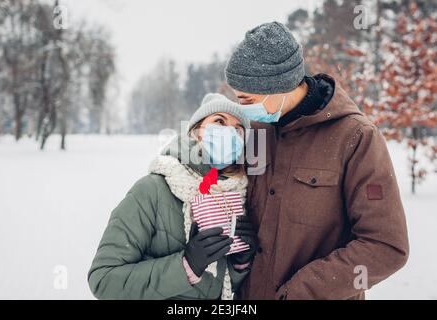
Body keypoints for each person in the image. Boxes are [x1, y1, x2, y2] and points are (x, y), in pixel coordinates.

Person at [224, 21, 409, 300]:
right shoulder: (256, 133)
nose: (243, 109)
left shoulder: (356, 138)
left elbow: (386, 245)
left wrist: (304, 291)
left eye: (247, 99)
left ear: (278, 85)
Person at [88, 93, 258, 300]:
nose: (229, 133)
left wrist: (240, 263)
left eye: (238, 130)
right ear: (196, 132)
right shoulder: (152, 190)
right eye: (219, 122)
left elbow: (217, 287)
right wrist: (186, 265)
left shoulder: (235, 196)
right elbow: (104, 280)